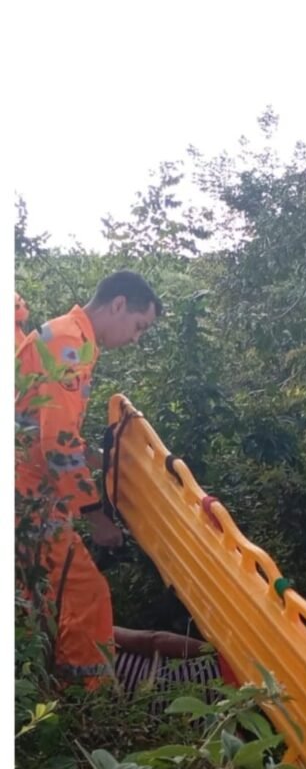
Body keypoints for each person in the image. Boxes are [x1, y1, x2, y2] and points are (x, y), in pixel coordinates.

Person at [15, 271, 161, 688]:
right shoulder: (69, 343)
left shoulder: (69, 337)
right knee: (83, 592)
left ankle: (42, 690)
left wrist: (108, 463)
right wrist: (96, 515)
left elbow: (57, 434)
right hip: (27, 500)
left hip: (31, 498)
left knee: (34, 601)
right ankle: (87, 696)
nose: (135, 338)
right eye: (138, 326)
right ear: (117, 304)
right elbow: (56, 442)